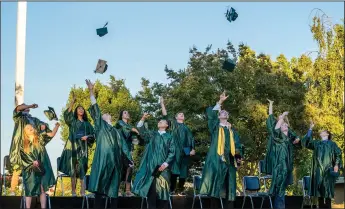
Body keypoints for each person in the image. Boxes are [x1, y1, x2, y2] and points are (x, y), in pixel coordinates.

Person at [85, 79, 134, 209]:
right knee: (99, 190)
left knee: (113, 191)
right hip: (103, 161)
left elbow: (124, 147)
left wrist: (129, 159)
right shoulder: (101, 126)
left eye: (107, 114)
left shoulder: (117, 132)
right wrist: (91, 91)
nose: (106, 114)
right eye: (104, 114)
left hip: (115, 163)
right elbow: (95, 108)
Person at [199, 92, 243, 209]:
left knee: (230, 186)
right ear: (218, 116)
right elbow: (211, 114)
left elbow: (238, 146)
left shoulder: (232, 132)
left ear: (228, 117)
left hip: (230, 161)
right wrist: (220, 102)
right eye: (221, 112)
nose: (223, 112)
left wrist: (238, 161)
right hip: (217, 160)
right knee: (215, 185)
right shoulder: (215, 127)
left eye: (226, 112)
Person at [132, 113, 176, 209]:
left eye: (162, 121)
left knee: (162, 195)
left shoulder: (170, 137)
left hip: (163, 170)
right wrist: (143, 118)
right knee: (151, 194)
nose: (159, 122)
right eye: (159, 121)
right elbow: (141, 131)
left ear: (167, 125)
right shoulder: (152, 134)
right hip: (151, 168)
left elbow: (172, 152)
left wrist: (165, 164)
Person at [263, 99, 300, 209]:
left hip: (286, 162)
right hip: (277, 157)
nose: (282, 121)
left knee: (281, 185)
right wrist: (271, 105)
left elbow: (296, 138)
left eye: (284, 122)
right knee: (279, 183)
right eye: (280, 119)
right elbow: (272, 119)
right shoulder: (277, 132)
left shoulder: (288, 135)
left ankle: (278, 204)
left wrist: (296, 139)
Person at [9, 103, 51, 196]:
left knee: (37, 168)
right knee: (18, 167)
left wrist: (43, 126)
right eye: (24, 106)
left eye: (27, 107)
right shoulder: (18, 118)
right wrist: (29, 105)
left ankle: (40, 191)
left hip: (34, 148)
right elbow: (18, 108)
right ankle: (12, 191)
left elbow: (42, 125)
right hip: (22, 146)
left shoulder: (33, 119)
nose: (26, 108)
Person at [58, 92, 94, 196]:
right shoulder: (72, 122)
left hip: (83, 148)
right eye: (79, 108)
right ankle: (73, 192)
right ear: (76, 111)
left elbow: (93, 135)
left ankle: (82, 192)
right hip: (73, 147)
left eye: (82, 109)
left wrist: (87, 137)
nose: (81, 110)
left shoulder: (87, 124)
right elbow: (66, 115)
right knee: (73, 170)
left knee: (82, 169)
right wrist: (72, 102)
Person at [301, 121, 343, 209]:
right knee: (319, 190)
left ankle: (328, 206)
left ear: (327, 134)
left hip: (328, 169)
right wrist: (310, 129)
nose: (321, 132)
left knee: (327, 190)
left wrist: (336, 165)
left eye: (323, 131)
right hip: (318, 169)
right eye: (321, 132)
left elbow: (338, 154)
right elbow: (307, 142)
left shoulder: (332, 144)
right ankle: (320, 206)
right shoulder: (317, 143)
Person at [160, 96, 195, 195]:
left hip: (185, 151)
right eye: (180, 114)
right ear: (176, 117)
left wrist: (192, 149)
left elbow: (191, 139)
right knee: (174, 171)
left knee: (184, 172)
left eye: (183, 114)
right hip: (175, 151)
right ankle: (172, 190)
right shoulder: (173, 125)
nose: (182, 115)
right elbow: (165, 116)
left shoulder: (187, 128)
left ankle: (180, 189)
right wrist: (162, 104)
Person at [21, 122, 60, 209]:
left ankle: (43, 207)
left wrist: (56, 126)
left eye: (31, 126)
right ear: (25, 132)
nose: (30, 128)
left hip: (41, 167)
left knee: (42, 188)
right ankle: (27, 207)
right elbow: (22, 156)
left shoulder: (40, 138)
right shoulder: (23, 144)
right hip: (29, 169)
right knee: (29, 189)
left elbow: (51, 134)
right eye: (27, 128)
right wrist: (32, 161)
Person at [115, 110, 139, 197]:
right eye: (125, 112)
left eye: (128, 112)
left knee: (130, 168)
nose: (127, 113)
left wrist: (136, 139)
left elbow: (134, 139)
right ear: (121, 115)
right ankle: (117, 190)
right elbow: (124, 128)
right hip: (120, 150)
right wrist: (133, 130)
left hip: (128, 151)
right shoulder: (119, 123)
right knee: (120, 169)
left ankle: (128, 191)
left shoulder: (129, 126)